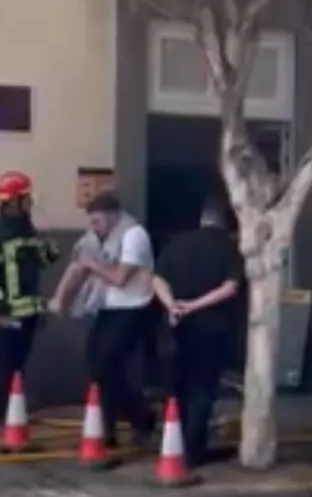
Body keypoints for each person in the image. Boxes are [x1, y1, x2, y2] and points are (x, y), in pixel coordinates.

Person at [151, 198, 245, 469]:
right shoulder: (229, 249)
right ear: (227, 223)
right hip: (211, 329)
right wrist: (194, 306)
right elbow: (230, 288)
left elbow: (157, 278)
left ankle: (173, 443)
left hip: (175, 326)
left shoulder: (178, 243)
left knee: (177, 388)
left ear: (202, 218)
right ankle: (193, 451)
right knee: (202, 390)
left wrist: (172, 305)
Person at [74, 191, 159, 448]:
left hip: (133, 309)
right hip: (108, 308)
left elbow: (121, 278)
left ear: (113, 216)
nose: (94, 227)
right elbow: (76, 267)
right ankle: (121, 420)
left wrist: (93, 266)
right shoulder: (102, 237)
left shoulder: (134, 235)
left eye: (97, 221)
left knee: (105, 366)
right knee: (97, 366)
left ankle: (136, 416)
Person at [0, 171, 61, 424]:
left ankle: (11, 408)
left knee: (19, 362)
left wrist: (48, 239)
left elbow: (46, 261)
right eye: (25, 197)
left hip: (30, 310)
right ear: (13, 200)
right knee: (6, 362)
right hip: (9, 311)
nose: (30, 202)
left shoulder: (29, 229)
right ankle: (1, 411)